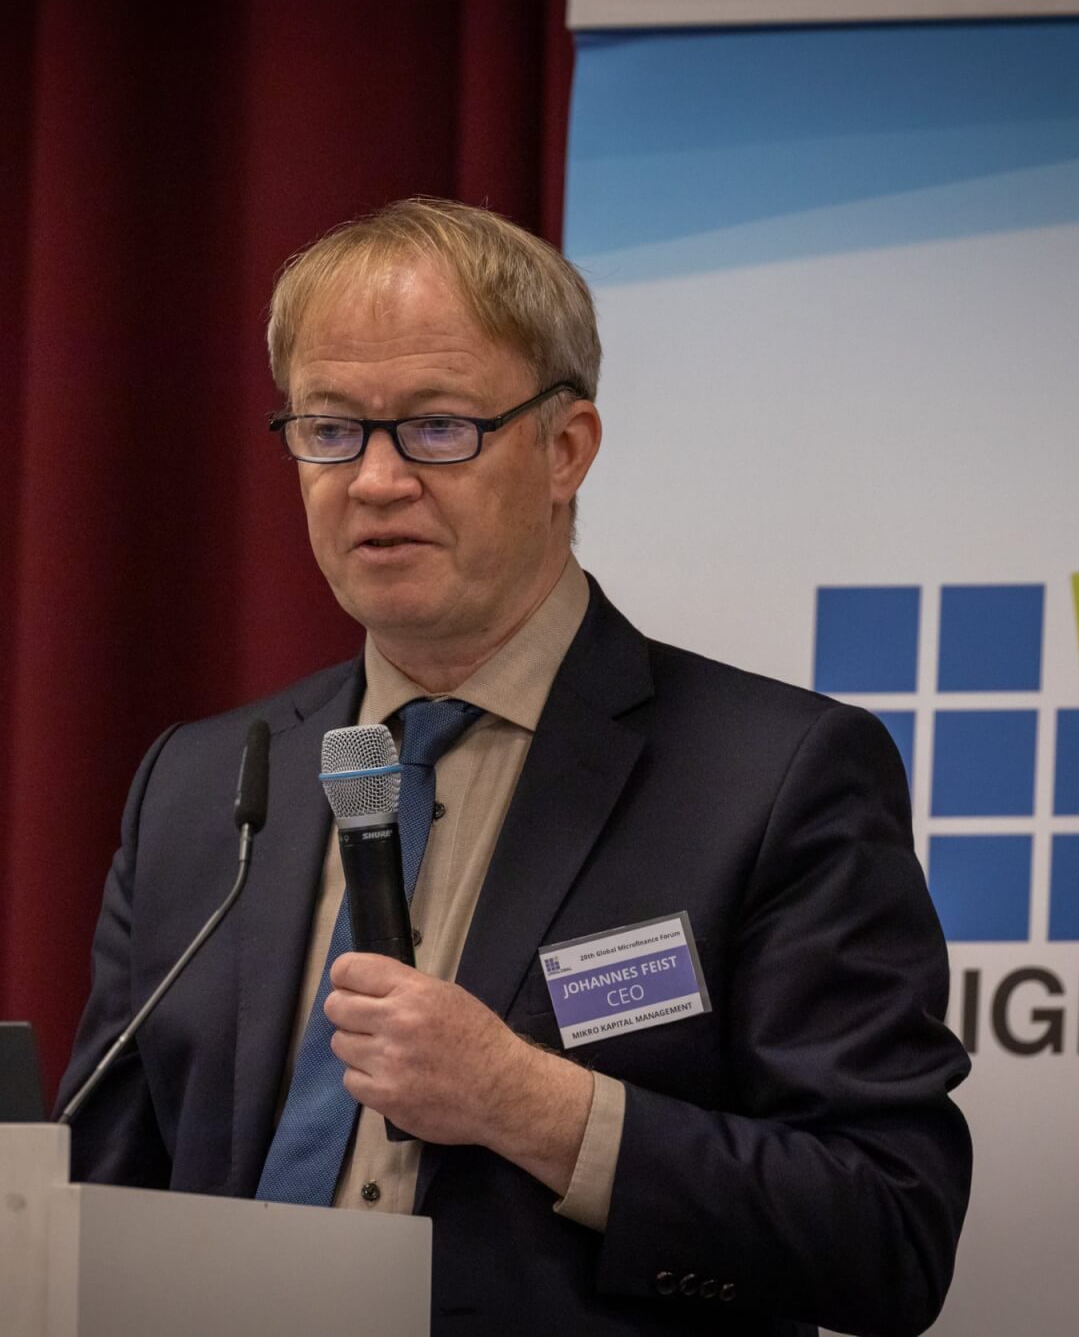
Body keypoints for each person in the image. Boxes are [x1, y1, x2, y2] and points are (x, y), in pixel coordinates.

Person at [57, 198, 970, 1337]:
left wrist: (526, 1102)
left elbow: (887, 1233)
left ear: (566, 450)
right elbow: (96, 1191)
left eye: (437, 427)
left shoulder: (774, 776)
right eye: (330, 428)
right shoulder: (202, 785)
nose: (374, 480)